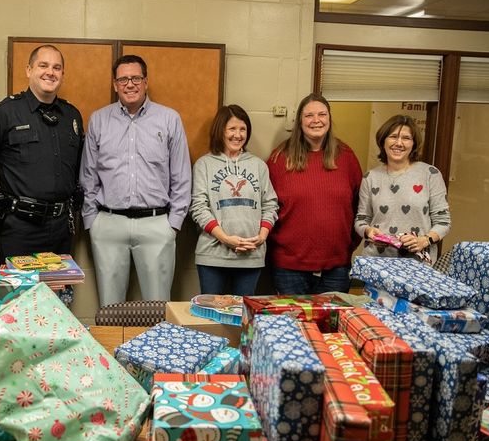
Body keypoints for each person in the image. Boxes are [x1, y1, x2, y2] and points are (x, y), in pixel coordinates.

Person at [80, 55, 192, 307]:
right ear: (115, 84)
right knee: (109, 309)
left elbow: (182, 176)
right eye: (123, 79)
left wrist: (172, 224)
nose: (129, 84)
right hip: (108, 224)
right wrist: (92, 221)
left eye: (135, 78)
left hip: (156, 225)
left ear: (146, 81)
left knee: (157, 308)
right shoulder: (99, 119)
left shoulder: (169, 119)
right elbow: (88, 175)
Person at [0, 45, 84, 266]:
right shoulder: (3, 113)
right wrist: (0, 207)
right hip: (20, 227)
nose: (50, 72)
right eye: (43, 65)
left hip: (62, 226)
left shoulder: (71, 116)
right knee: (18, 296)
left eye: (57, 67)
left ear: (62, 74)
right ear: (28, 70)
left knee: (58, 295)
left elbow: (79, 168)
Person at [267, 93, 363, 294]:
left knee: (330, 326)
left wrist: (345, 247)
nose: (316, 120)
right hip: (289, 268)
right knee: (294, 325)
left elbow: (360, 207)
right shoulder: (280, 158)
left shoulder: (346, 156)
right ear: (299, 121)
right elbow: (267, 207)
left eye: (322, 114)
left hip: (336, 267)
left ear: (329, 119)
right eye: (309, 115)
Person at [189, 104, 278, 295]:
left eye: (243, 129)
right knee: (211, 316)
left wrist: (261, 237)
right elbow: (198, 207)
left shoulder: (258, 166)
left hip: (251, 254)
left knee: (243, 317)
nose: (238, 135)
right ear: (220, 131)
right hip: (212, 256)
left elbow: (271, 204)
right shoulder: (204, 165)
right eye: (232, 129)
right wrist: (226, 239)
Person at [355, 114, 451, 262]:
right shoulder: (370, 178)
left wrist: (424, 240)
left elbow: (443, 222)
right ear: (383, 141)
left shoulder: (430, 174)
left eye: (406, 138)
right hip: (377, 264)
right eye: (393, 136)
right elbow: (361, 220)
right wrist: (368, 231)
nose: (399, 143)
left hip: (417, 266)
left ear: (414, 144)